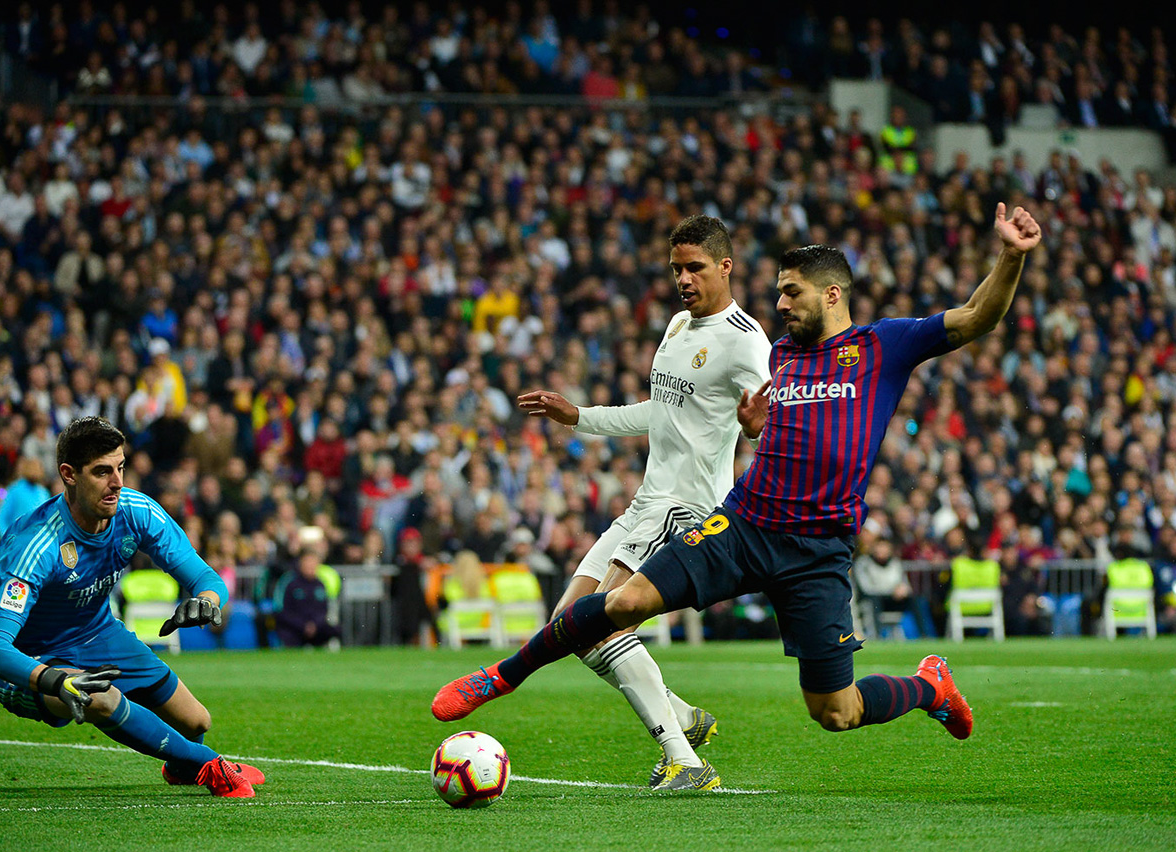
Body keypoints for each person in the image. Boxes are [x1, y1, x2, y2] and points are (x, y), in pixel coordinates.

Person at [433, 203, 1043, 790]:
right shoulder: (782, 355)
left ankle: (930, 687)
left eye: (791, 293)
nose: (779, 304)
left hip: (817, 550)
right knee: (625, 602)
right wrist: (752, 427)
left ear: (832, 294)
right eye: (778, 292)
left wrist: (1011, 257)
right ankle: (503, 675)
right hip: (744, 524)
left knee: (836, 712)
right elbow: (738, 422)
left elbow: (975, 317)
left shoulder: (882, 347)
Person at [510, 214, 772, 788]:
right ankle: (682, 718)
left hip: (688, 507)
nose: (683, 279)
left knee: (601, 620)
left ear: (725, 266)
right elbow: (660, 411)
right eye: (676, 268)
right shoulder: (677, 325)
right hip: (647, 502)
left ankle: (685, 761)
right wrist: (579, 417)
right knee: (568, 624)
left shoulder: (745, 339)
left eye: (695, 268)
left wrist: (756, 428)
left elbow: (768, 415)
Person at [0, 417, 262, 797]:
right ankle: (209, 764)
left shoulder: (135, 510)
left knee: (196, 722)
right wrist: (54, 680)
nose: (117, 483)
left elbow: (207, 577)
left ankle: (182, 765)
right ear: (69, 475)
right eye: (102, 472)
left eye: (121, 467)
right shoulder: (35, 544)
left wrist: (207, 601)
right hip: (32, 659)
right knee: (100, 697)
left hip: (98, 635)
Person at [273, 546, 341, 647]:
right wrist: (302, 625)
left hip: (316, 627)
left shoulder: (320, 584)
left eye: (313, 562)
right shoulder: (289, 582)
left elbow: (324, 610)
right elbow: (281, 610)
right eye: (308, 562)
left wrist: (315, 625)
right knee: (286, 633)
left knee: (335, 629)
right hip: (295, 627)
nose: (311, 565)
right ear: (301, 563)